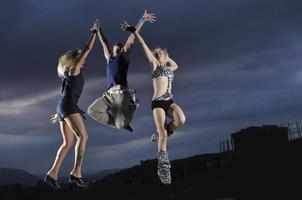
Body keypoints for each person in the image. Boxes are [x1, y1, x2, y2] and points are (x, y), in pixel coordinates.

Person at [121, 22, 186, 184]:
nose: (156, 55)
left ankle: (161, 132)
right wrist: (134, 31)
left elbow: (176, 65)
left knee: (181, 120)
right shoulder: (154, 66)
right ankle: (163, 167)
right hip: (157, 103)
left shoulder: (170, 68)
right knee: (163, 135)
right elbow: (143, 45)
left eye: (159, 53)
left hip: (169, 101)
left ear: (165, 55)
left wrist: (165, 53)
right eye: (155, 54)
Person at [44, 20, 100, 190]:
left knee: (68, 142)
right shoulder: (75, 69)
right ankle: (76, 173)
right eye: (80, 59)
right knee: (83, 137)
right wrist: (95, 33)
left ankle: (52, 174)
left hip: (63, 107)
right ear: (76, 59)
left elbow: (63, 94)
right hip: (67, 107)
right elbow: (88, 49)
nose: (83, 61)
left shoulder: (68, 74)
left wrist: (58, 112)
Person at [87, 10, 156, 132]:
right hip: (108, 95)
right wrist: (98, 31)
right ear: (112, 49)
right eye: (116, 43)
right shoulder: (109, 58)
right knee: (91, 111)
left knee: (120, 126)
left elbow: (131, 38)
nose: (118, 43)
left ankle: (132, 106)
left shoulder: (123, 56)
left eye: (121, 44)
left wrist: (142, 20)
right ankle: (121, 123)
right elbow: (104, 42)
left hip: (120, 95)